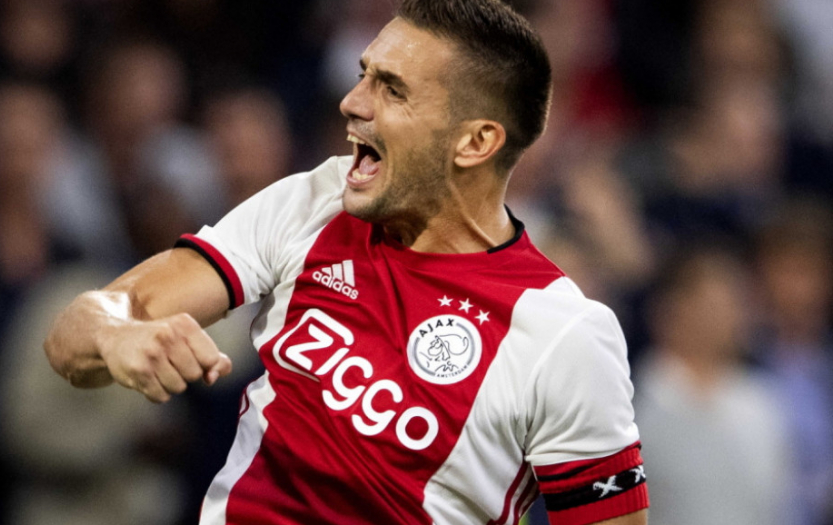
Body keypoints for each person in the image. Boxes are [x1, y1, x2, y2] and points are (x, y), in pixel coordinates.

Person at [44, 1, 649, 523]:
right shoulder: (316, 203)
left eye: (393, 89)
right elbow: (74, 335)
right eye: (364, 75)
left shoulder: (565, 335)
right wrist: (117, 336)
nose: (352, 102)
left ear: (475, 142)